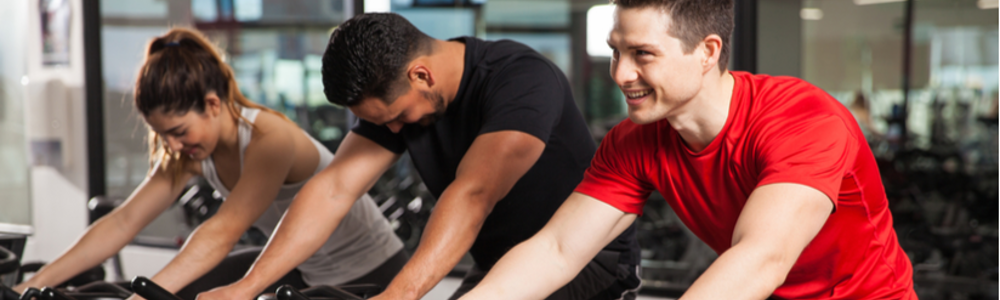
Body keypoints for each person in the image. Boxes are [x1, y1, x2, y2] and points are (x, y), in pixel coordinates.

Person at [459, 0, 917, 299]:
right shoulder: (633, 142)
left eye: (643, 54)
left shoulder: (803, 121)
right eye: (616, 51)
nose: (620, 74)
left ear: (707, 51)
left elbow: (761, 258)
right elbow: (556, 250)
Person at [198, 13, 641, 300]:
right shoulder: (399, 98)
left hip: (592, 265)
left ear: (421, 74)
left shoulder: (521, 80)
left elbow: (474, 194)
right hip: (499, 265)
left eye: (395, 117)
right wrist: (247, 287)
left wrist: (398, 296)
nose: (392, 130)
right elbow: (334, 189)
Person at [14, 28, 407, 300]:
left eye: (179, 130)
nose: (172, 144)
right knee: (182, 291)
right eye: (162, 133)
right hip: (303, 266)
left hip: (369, 272)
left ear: (213, 105)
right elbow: (122, 221)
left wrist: (139, 296)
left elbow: (223, 231)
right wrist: (30, 284)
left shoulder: (270, 140)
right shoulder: (188, 151)